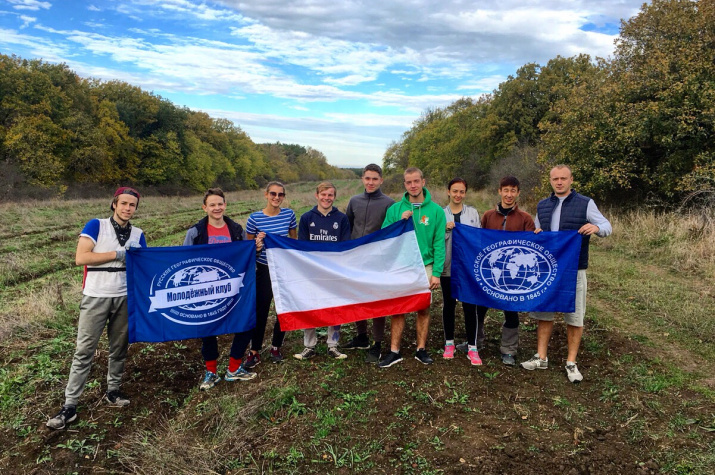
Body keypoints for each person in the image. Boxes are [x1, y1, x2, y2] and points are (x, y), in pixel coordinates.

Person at [47, 187, 147, 430]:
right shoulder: (96, 225)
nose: (127, 208)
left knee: (119, 348)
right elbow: (81, 257)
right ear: (114, 204)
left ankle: (113, 390)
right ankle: (70, 405)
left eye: (132, 205)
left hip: (124, 297)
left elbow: (145, 264)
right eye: (123, 203)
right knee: (84, 350)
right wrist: (118, 254)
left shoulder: (138, 233)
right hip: (96, 296)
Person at [521, 165, 611, 383]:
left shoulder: (585, 203)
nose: (559, 182)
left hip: (574, 269)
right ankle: (541, 357)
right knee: (544, 313)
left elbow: (606, 226)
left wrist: (596, 229)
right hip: (546, 270)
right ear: (550, 181)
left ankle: (571, 363)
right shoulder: (542, 205)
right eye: (555, 179)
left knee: (575, 315)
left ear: (571, 180)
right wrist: (537, 233)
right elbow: (537, 231)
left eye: (563, 178)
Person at [183, 188, 256, 390]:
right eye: (212, 204)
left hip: (232, 288)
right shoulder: (195, 233)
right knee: (208, 330)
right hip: (206, 291)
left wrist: (254, 247)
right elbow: (184, 261)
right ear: (204, 207)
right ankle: (211, 373)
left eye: (220, 204)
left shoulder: (235, 229)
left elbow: (245, 256)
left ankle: (233, 368)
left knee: (246, 323)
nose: (217, 208)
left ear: (225, 205)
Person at [379, 167, 446, 368]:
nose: (413, 185)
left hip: (425, 266)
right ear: (405, 185)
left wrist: (436, 273)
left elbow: (439, 243)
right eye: (409, 182)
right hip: (401, 266)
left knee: (423, 308)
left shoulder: (436, 211)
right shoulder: (395, 209)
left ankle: (421, 349)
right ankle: (394, 351)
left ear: (423, 182)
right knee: (398, 309)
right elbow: (384, 236)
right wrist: (400, 222)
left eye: (416, 181)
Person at [477, 176, 535, 366]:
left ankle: (509, 349)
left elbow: (531, 249)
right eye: (506, 190)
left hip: (513, 275)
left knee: (511, 312)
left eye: (513, 191)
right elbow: (478, 241)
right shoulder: (487, 216)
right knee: (479, 308)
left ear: (518, 193)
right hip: (491, 272)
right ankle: (476, 342)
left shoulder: (526, 219)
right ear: (499, 191)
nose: (509, 195)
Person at [342, 164, 395, 363]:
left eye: (375, 179)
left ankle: (377, 343)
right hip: (356, 258)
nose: (370, 182)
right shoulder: (354, 201)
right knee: (357, 297)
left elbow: (392, 232)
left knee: (377, 301)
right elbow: (347, 227)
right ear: (362, 179)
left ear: (381, 180)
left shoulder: (389, 203)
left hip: (377, 261)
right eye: (367, 178)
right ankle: (361, 336)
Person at [294, 182, 351, 360]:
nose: (327, 198)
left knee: (335, 307)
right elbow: (302, 246)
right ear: (317, 195)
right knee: (310, 305)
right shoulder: (306, 218)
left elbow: (345, 247)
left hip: (334, 271)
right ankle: (309, 345)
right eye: (323, 194)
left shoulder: (341, 219)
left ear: (335, 197)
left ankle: (333, 344)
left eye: (330, 195)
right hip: (312, 271)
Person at [243, 181, 297, 368]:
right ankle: (254, 350)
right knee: (261, 310)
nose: (276, 197)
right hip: (264, 269)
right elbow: (248, 249)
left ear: (284, 197)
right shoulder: (254, 219)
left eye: (280, 195)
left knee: (282, 308)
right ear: (266, 195)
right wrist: (257, 244)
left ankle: (276, 346)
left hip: (283, 269)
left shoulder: (289, 215)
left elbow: (293, 241)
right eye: (273, 194)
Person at [440, 178, 482, 366]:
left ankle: (472, 347)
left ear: (465, 193)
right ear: (448, 192)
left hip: (468, 269)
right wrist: (444, 230)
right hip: (447, 268)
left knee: (469, 306)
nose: (458, 195)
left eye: (462, 192)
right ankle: (449, 343)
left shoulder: (472, 213)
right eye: (454, 191)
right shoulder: (440, 214)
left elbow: (479, 238)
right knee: (449, 305)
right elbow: (433, 240)